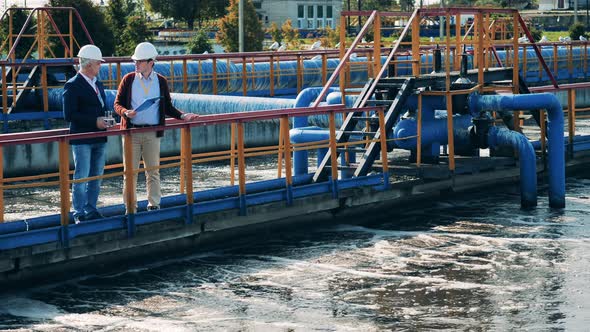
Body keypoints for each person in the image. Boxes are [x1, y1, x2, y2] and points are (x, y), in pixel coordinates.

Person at [114, 42, 198, 213]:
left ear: (150, 62)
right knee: (129, 173)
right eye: (135, 61)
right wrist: (125, 112)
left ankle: (154, 204)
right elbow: (117, 104)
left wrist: (182, 116)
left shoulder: (160, 81)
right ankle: (130, 207)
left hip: (152, 132)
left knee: (153, 171)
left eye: (139, 61)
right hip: (132, 133)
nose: (136, 64)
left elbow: (167, 106)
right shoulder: (128, 79)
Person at [62, 44, 109, 224]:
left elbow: (102, 107)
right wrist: (94, 121)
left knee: (96, 176)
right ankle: (79, 212)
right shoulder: (73, 85)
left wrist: (105, 120)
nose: (100, 67)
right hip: (82, 139)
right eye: (98, 64)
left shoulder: (97, 84)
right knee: (81, 176)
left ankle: (91, 209)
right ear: (89, 64)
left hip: (99, 137)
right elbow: (69, 115)